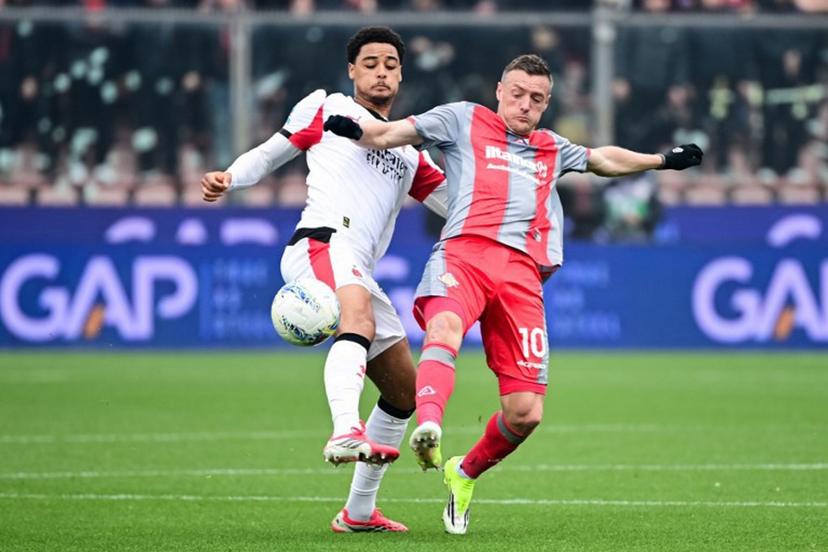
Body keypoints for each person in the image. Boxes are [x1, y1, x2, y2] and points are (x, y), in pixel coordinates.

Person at [324, 53, 703, 535]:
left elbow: (602, 159)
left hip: (522, 275)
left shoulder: (551, 147)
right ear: (500, 90)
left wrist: (662, 160)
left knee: (525, 414)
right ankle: (431, 426)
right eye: (518, 94)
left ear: (546, 104)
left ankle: (463, 473)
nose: (525, 104)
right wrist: (354, 129)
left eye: (536, 99)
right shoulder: (461, 118)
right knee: (444, 328)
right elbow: (388, 134)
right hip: (463, 253)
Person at [201, 26, 447, 533]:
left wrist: (512, 214)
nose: (381, 72)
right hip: (323, 242)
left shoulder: (409, 149)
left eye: (391, 65)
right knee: (356, 320)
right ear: (352, 71)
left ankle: (359, 512)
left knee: (404, 391)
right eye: (370, 63)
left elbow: (455, 204)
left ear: (401, 75)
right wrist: (230, 176)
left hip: (358, 266)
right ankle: (343, 430)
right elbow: (273, 150)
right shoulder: (328, 106)